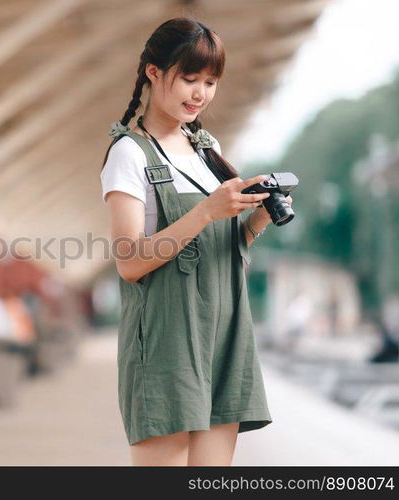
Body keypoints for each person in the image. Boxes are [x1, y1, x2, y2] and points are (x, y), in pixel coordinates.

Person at [100, 18, 294, 466]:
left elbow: (214, 253)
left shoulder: (208, 150)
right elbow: (129, 263)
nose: (199, 93)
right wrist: (206, 209)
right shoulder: (129, 153)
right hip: (167, 341)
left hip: (223, 336)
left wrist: (255, 221)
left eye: (210, 82)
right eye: (188, 78)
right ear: (153, 72)